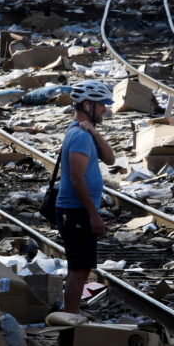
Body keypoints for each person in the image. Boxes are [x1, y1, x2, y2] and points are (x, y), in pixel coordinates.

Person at [56, 80, 116, 314]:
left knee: (81, 269)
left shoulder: (85, 133)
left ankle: (72, 317)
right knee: (78, 271)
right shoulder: (79, 137)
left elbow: (110, 159)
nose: (105, 109)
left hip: (78, 211)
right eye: (101, 104)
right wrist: (93, 215)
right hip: (75, 211)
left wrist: (94, 130)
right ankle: (70, 321)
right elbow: (76, 179)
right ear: (88, 104)